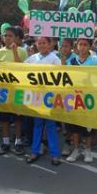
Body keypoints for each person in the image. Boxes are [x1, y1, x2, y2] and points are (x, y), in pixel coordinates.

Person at [25, 37, 62, 165]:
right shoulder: (32, 58)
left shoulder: (54, 59)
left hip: (49, 97)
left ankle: (55, 154)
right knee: (38, 125)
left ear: (49, 44)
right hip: (36, 96)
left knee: (51, 126)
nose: (41, 45)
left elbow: (60, 78)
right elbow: (20, 70)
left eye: (44, 43)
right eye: (39, 43)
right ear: (36, 44)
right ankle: (34, 151)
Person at [0, 26, 28, 155]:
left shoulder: (22, 51)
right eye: (5, 35)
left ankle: (18, 142)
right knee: (4, 119)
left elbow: (23, 70)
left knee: (18, 119)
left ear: (15, 38)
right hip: (3, 90)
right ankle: (5, 142)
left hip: (17, 90)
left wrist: (14, 52)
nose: (7, 38)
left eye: (10, 36)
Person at [65, 37, 97, 163]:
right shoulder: (72, 60)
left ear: (90, 46)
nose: (83, 47)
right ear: (77, 46)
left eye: (85, 44)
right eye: (80, 44)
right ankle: (76, 149)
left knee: (88, 127)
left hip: (89, 98)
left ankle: (88, 150)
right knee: (74, 126)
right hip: (75, 97)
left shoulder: (95, 60)